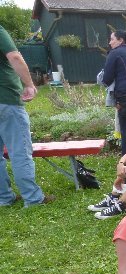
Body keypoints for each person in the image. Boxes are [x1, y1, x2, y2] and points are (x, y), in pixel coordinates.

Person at [0, 25, 54, 207]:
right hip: (6, 99)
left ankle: (3, 198)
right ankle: (33, 199)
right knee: (20, 152)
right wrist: (29, 84)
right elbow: (14, 56)